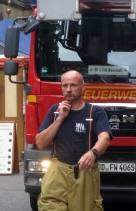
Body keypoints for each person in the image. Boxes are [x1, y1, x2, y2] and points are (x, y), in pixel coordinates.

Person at [36, 70, 113, 211]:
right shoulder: (55, 111)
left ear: (83, 87)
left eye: (73, 85)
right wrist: (60, 118)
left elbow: (105, 137)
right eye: (64, 86)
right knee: (49, 206)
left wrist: (93, 153)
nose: (68, 90)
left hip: (84, 171)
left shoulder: (95, 112)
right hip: (58, 170)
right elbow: (40, 143)